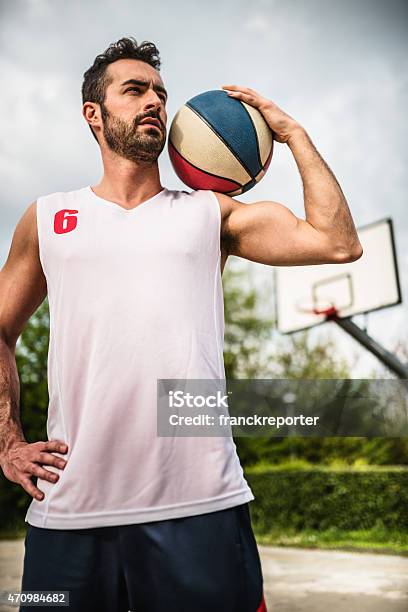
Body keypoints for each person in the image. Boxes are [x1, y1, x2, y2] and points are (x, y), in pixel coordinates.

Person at [0, 37, 362, 612]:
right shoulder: (47, 218)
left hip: (201, 504)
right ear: (93, 114)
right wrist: (9, 441)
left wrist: (293, 135)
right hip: (68, 510)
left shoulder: (207, 213)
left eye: (161, 93)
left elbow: (338, 244)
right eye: (135, 90)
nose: (154, 103)